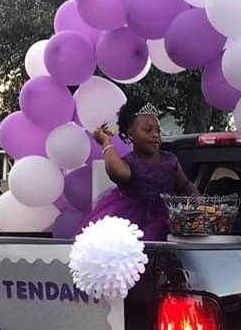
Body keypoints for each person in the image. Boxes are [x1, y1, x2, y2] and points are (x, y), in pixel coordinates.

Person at [81, 98, 198, 241]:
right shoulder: (130, 162)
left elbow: (185, 184)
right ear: (130, 133)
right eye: (148, 130)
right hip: (132, 226)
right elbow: (118, 173)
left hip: (168, 223)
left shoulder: (170, 160)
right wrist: (106, 142)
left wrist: (201, 204)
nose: (155, 134)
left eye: (158, 131)